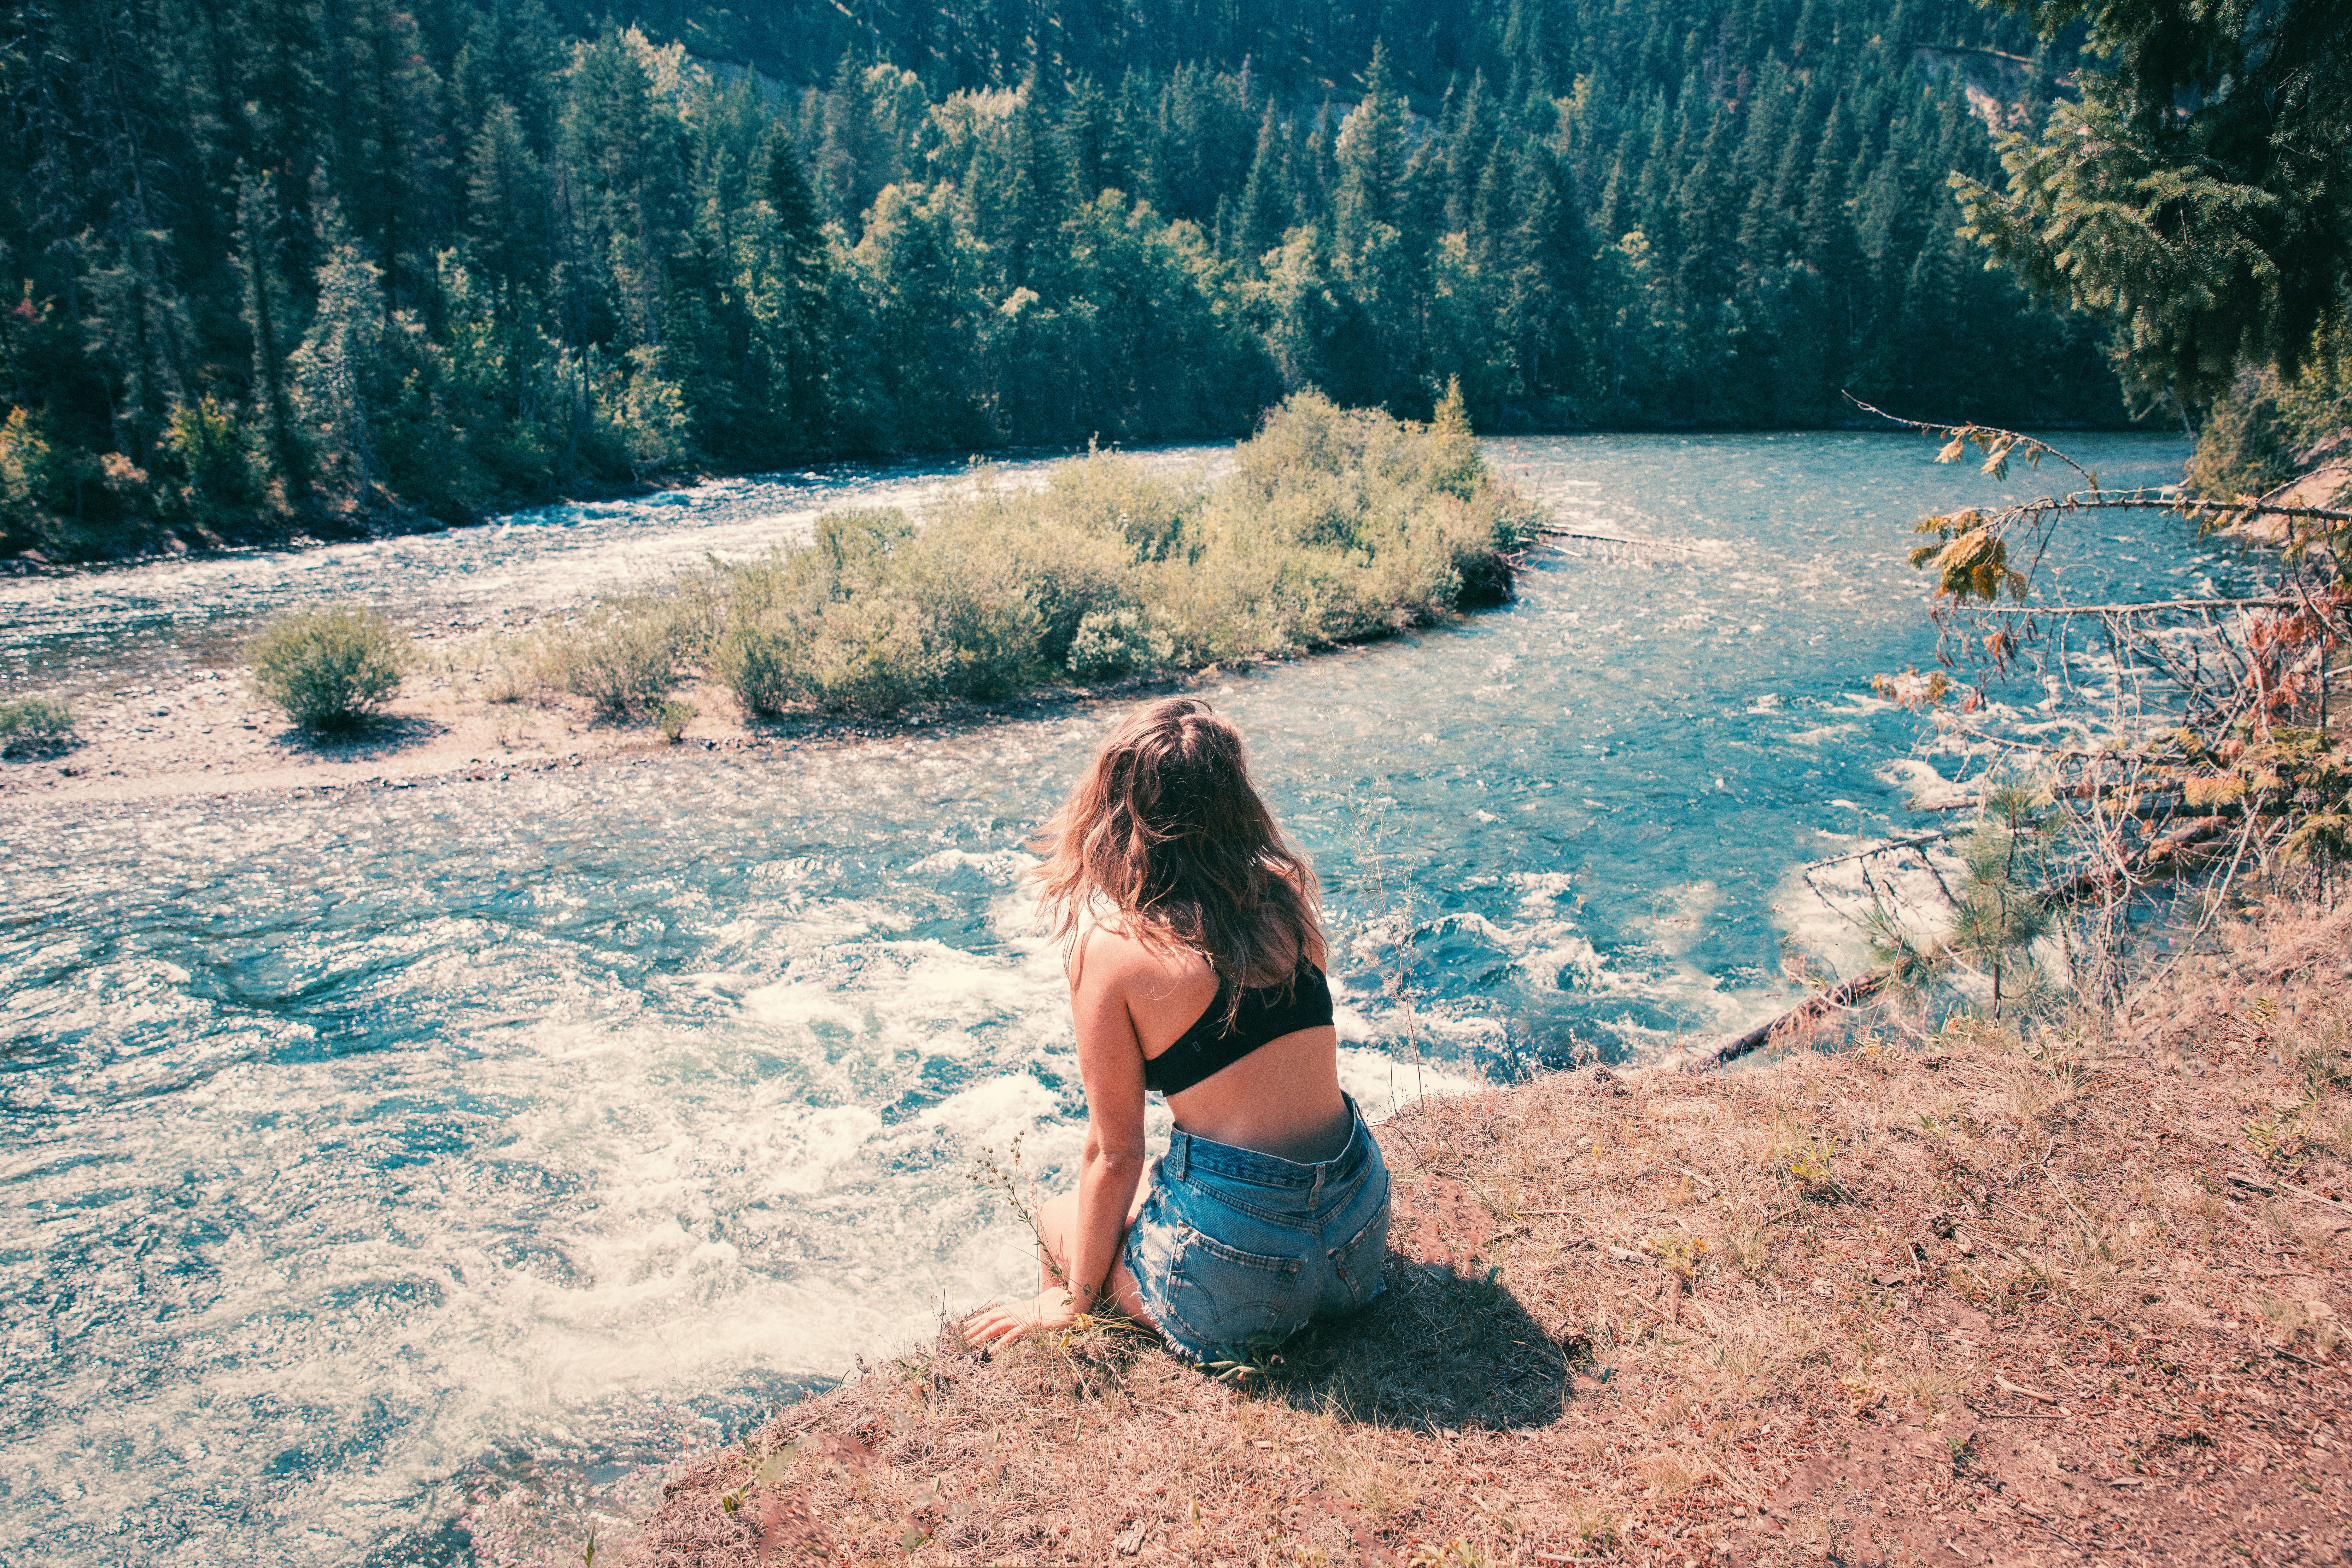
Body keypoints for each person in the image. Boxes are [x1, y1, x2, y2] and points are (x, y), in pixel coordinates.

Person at [961, 697, 1391, 1362]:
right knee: (1165, 1184)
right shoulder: (1283, 892)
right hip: (1356, 1245)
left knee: (1058, 1219)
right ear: (1236, 803)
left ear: (1116, 814)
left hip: (1244, 1277)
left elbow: (1115, 1154)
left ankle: (1072, 1361)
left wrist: (1076, 1296)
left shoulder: (1109, 950)